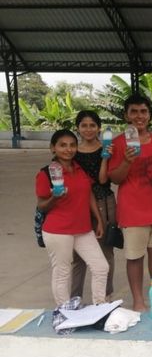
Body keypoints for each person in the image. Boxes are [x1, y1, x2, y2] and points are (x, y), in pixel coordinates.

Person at [108, 95, 152, 312]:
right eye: (134, 111)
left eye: (143, 111)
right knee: (135, 257)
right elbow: (115, 178)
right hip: (133, 211)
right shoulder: (118, 143)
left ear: (149, 115)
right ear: (126, 115)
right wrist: (127, 161)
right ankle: (138, 299)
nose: (139, 116)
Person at [36, 129, 108, 306]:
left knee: (101, 267)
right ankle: (64, 311)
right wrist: (55, 197)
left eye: (72, 145)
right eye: (62, 145)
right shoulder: (46, 173)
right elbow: (42, 205)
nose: (68, 149)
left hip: (83, 228)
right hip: (58, 231)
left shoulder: (79, 168)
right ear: (53, 148)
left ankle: (100, 306)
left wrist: (98, 219)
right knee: (62, 272)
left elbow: (89, 193)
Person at [70, 111, 116, 301]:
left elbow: (103, 180)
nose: (88, 129)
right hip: (79, 205)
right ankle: (75, 297)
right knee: (78, 254)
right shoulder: (72, 152)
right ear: (78, 128)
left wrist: (105, 157)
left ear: (99, 128)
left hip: (104, 202)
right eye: (84, 125)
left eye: (92, 125)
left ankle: (106, 295)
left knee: (106, 251)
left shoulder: (108, 149)